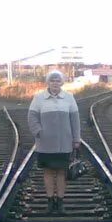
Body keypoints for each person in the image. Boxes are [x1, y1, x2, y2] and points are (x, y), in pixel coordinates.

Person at [27, 70, 81, 214]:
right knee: (48, 172)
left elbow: (75, 120)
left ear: (62, 83)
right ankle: (50, 201)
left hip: (65, 143)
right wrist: (39, 132)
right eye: (52, 81)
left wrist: (76, 139)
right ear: (48, 83)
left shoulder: (69, 98)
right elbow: (32, 118)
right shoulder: (39, 98)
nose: (55, 83)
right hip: (45, 143)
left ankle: (60, 202)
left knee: (62, 172)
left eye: (58, 81)